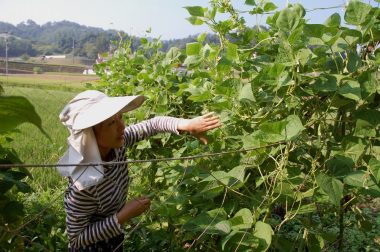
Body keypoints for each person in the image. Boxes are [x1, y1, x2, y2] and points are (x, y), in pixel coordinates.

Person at [57, 90, 220, 251]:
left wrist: (186, 125)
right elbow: (77, 238)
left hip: (113, 234)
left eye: (120, 117)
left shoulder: (117, 143)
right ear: (89, 134)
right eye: (112, 123)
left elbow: (153, 124)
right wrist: (123, 215)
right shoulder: (84, 184)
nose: (122, 126)